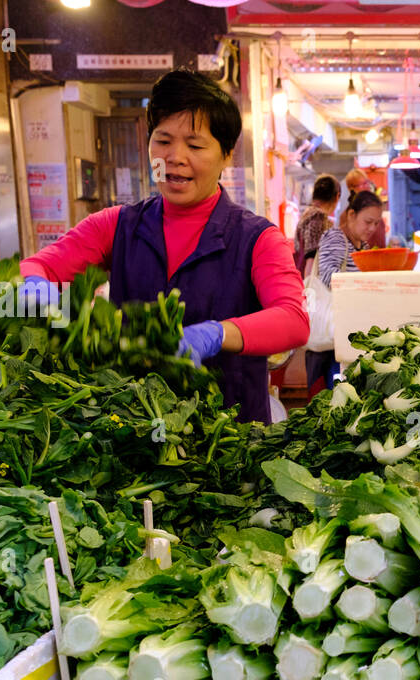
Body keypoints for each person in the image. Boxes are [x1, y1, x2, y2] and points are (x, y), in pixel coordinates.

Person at [16, 68, 307, 424]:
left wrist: (217, 334)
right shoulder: (117, 225)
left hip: (231, 441)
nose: (174, 157)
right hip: (137, 437)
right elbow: (39, 266)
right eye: (163, 140)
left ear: (227, 155)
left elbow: (293, 320)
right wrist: (36, 286)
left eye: (195, 145)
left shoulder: (256, 238)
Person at [306, 189, 384, 395]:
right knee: (335, 396)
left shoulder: (363, 246)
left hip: (349, 333)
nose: (372, 228)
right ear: (351, 215)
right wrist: (365, 286)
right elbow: (328, 278)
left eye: (376, 223)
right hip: (333, 338)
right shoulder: (336, 237)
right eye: (368, 221)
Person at [293, 174, 339, 277]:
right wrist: (310, 289)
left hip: (300, 277)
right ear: (337, 196)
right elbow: (311, 257)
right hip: (310, 283)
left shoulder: (307, 214)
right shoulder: (318, 217)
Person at [343, 168, 387, 248]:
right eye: (362, 184)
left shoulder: (374, 207)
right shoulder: (348, 213)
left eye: (367, 183)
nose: (367, 187)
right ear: (352, 188)